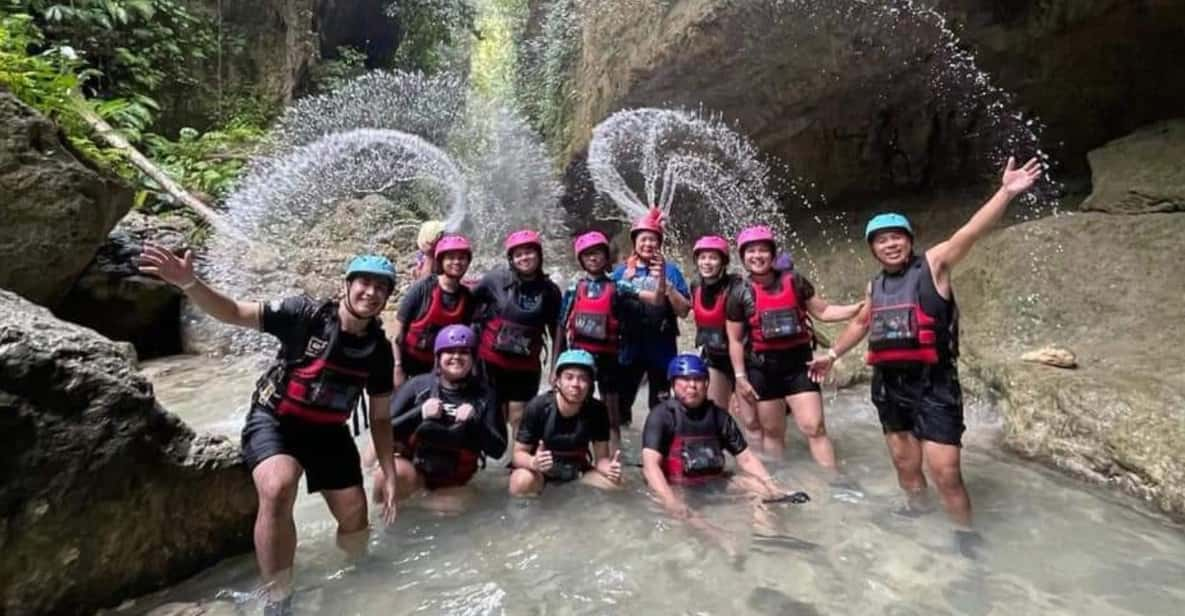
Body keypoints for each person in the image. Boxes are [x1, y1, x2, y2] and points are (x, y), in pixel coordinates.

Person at [139, 247, 399, 614]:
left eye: (380, 288)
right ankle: (278, 596)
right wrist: (189, 283)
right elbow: (231, 311)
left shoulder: (379, 351)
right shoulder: (303, 314)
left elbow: (382, 417)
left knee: (355, 516)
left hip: (328, 431)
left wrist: (388, 472)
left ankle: (357, 572)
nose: (371, 293)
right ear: (347, 285)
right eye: (364, 283)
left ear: (386, 298)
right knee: (278, 486)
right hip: (276, 420)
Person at [809, 156, 1043, 556]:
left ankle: (965, 536)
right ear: (873, 249)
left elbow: (969, 232)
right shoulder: (875, 285)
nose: (890, 244)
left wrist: (1005, 192)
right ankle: (915, 510)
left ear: (909, 240)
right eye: (881, 240)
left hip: (933, 384)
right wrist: (831, 353)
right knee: (905, 466)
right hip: (889, 387)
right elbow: (863, 324)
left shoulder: (933, 265)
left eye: (897, 236)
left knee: (945, 472)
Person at [725, 225, 863, 464]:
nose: (757, 256)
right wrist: (739, 377)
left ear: (773, 254)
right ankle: (779, 483)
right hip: (762, 369)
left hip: (800, 365)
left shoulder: (795, 281)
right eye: (751, 251)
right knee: (773, 432)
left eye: (762, 250)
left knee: (815, 427)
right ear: (743, 257)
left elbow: (824, 311)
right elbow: (735, 340)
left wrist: (858, 308)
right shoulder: (738, 293)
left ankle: (834, 483)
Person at [641, 355, 806, 521]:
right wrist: (671, 502)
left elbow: (746, 458)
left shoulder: (719, 417)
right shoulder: (661, 416)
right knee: (699, 523)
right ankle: (725, 544)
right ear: (673, 383)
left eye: (698, 379)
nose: (692, 385)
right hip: (677, 486)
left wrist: (771, 485)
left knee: (761, 490)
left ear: (707, 383)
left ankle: (765, 535)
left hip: (712, 481)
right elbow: (651, 467)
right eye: (685, 379)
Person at [557, 229, 665, 452]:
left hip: (608, 358)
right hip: (580, 358)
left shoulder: (619, 286)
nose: (593, 258)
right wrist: (555, 365)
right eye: (588, 255)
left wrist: (661, 276)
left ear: (606, 257)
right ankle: (576, 452)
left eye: (597, 254)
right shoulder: (574, 288)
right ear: (581, 260)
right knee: (577, 406)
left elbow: (655, 299)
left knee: (612, 415)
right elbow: (561, 325)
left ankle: (614, 458)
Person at [377, 325, 507, 509]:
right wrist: (419, 413)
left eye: (464, 352)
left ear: (473, 359)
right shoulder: (417, 386)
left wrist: (475, 423)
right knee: (386, 476)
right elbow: (383, 431)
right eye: (449, 352)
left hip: (454, 480)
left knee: (447, 509)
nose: (456, 357)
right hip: (415, 469)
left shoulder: (485, 395)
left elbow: (499, 449)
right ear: (438, 357)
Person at [473, 230, 562, 444]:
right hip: (491, 362)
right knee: (494, 416)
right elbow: (468, 301)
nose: (524, 258)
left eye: (529, 252)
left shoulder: (550, 291)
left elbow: (557, 331)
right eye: (518, 254)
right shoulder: (496, 278)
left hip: (525, 365)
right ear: (511, 259)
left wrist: (555, 368)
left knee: (519, 415)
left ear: (539, 255)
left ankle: (517, 461)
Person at [612, 208, 691, 425]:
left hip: (661, 347)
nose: (648, 244)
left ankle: (659, 448)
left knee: (661, 406)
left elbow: (684, 311)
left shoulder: (671, 271)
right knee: (621, 404)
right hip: (629, 347)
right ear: (634, 242)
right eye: (643, 239)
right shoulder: (620, 272)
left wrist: (667, 286)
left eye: (653, 240)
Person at [508, 349, 624, 495]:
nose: (575, 384)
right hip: (541, 471)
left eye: (583, 379)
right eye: (569, 377)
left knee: (617, 484)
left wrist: (609, 468)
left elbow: (601, 459)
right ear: (557, 381)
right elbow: (517, 455)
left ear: (590, 384)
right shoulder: (538, 407)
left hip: (577, 470)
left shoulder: (597, 410)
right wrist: (533, 462)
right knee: (521, 482)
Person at [391, 234, 476, 386]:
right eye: (451, 257)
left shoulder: (467, 297)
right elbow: (398, 335)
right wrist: (397, 368)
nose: (457, 262)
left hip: (441, 369)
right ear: (441, 261)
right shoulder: (422, 289)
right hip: (410, 364)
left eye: (462, 258)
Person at [689, 235, 746, 419]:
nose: (707, 262)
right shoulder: (696, 285)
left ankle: (757, 448)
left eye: (713, 258)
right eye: (702, 257)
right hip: (714, 356)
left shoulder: (737, 286)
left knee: (750, 419)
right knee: (716, 415)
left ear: (723, 262)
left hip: (744, 358)